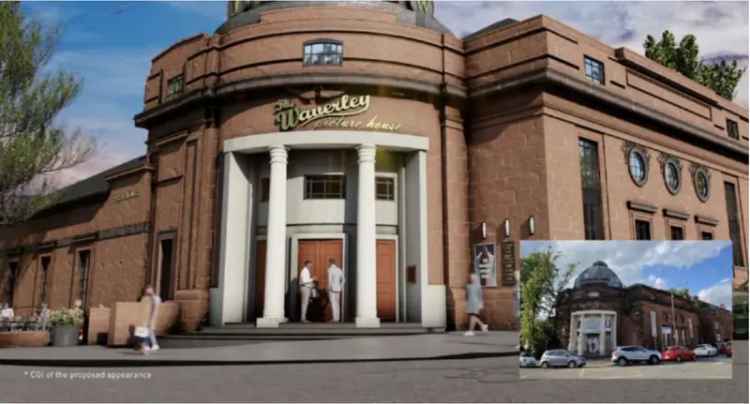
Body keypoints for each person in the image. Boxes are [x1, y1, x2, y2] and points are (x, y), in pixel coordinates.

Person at [139, 285, 162, 353]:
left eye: (149, 289)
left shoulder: (156, 298)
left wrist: (151, 317)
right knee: (146, 331)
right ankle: (147, 345)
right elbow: (143, 306)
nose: (148, 290)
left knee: (149, 330)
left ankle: (152, 345)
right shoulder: (145, 298)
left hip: (151, 316)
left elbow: (155, 307)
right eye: (146, 289)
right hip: (145, 316)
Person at [326, 258, 345, 322]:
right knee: (337, 303)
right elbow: (344, 280)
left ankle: (334, 318)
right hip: (338, 289)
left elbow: (329, 279)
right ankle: (337, 318)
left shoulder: (330, 269)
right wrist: (341, 287)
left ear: (330, 262)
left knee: (333, 303)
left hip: (332, 289)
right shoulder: (339, 269)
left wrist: (328, 287)